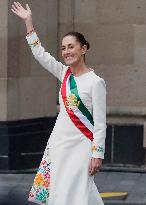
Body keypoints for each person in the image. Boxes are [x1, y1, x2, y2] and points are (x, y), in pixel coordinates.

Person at [11, 2, 107, 205]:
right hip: (59, 144)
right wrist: (29, 22)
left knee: (76, 191)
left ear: (84, 48)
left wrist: (97, 154)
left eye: (71, 47)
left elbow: (100, 123)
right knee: (60, 191)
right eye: (63, 48)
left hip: (82, 146)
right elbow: (40, 55)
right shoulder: (64, 74)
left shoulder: (96, 82)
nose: (66, 52)